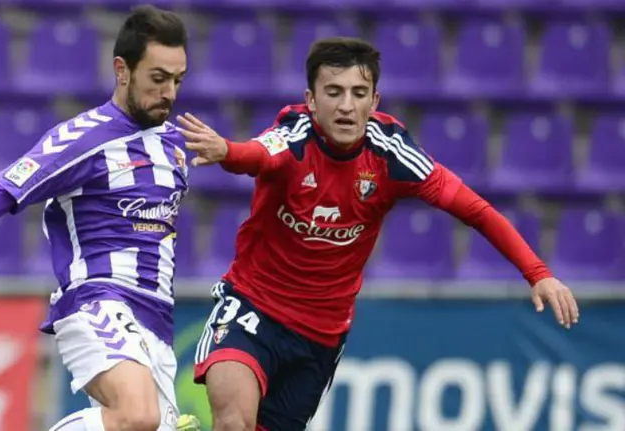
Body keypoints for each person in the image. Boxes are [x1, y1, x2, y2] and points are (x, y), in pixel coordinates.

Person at [176, 37, 580, 431]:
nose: (346, 106)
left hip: (320, 335)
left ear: (374, 102)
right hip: (252, 308)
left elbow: (475, 210)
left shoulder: (392, 154)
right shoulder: (293, 138)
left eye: (358, 93)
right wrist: (227, 150)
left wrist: (537, 273)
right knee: (234, 422)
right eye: (333, 92)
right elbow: (257, 155)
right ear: (311, 100)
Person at [0, 6, 201, 431]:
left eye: (177, 80)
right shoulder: (84, 138)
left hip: (157, 320)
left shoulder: (177, 144)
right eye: (158, 78)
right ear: (122, 70)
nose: (169, 93)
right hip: (99, 298)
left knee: (141, 423)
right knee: (137, 415)